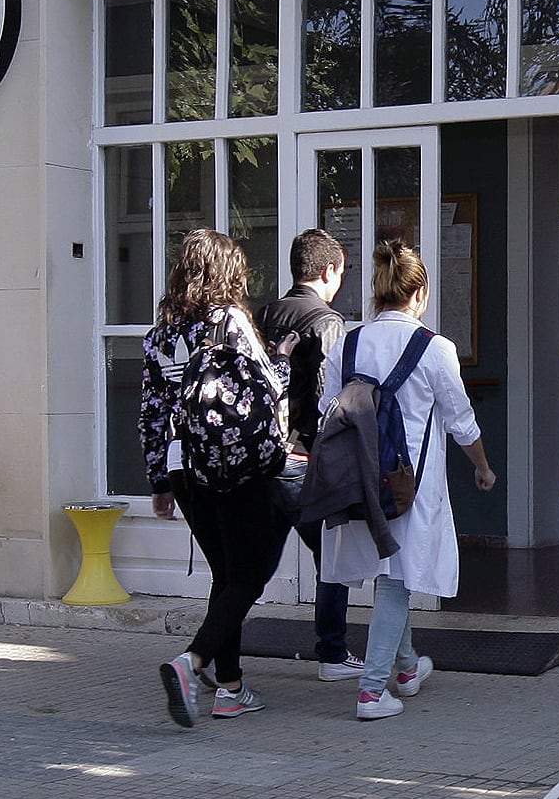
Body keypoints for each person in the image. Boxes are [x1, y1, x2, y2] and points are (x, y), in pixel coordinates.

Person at [320, 239, 496, 721]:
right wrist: (482, 466)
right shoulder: (435, 349)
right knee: (397, 582)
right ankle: (373, 690)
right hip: (407, 486)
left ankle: (403, 669)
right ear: (419, 294)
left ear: (378, 292)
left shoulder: (347, 344)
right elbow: (462, 421)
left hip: (357, 482)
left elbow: (326, 411)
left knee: (391, 578)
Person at [137, 227, 291, 725]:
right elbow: (269, 393)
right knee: (249, 573)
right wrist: (285, 361)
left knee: (226, 574)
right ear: (230, 272)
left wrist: (160, 482)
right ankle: (193, 661)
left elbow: (152, 413)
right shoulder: (231, 321)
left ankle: (230, 687)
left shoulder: (161, 332)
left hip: (186, 470)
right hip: (235, 464)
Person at [256, 228, 360, 678]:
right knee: (332, 556)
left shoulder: (263, 314)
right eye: (341, 271)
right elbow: (327, 399)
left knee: (254, 563)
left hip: (260, 457)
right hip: (303, 459)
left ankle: (213, 654)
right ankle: (332, 652)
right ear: (327, 270)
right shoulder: (325, 321)